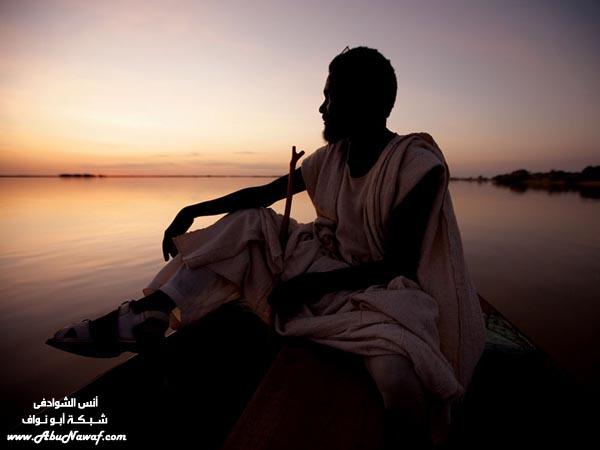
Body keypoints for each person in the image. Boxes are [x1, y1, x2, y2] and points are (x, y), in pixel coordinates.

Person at [47, 46, 486, 448]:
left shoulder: (416, 166)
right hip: (327, 261)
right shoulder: (329, 157)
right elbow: (264, 196)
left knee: (399, 381)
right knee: (251, 225)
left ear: (366, 102)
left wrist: (307, 287)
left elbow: (398, 264)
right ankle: (151, 311)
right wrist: (193, 209)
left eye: (330, 97)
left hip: (383, 288)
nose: (321, 107)